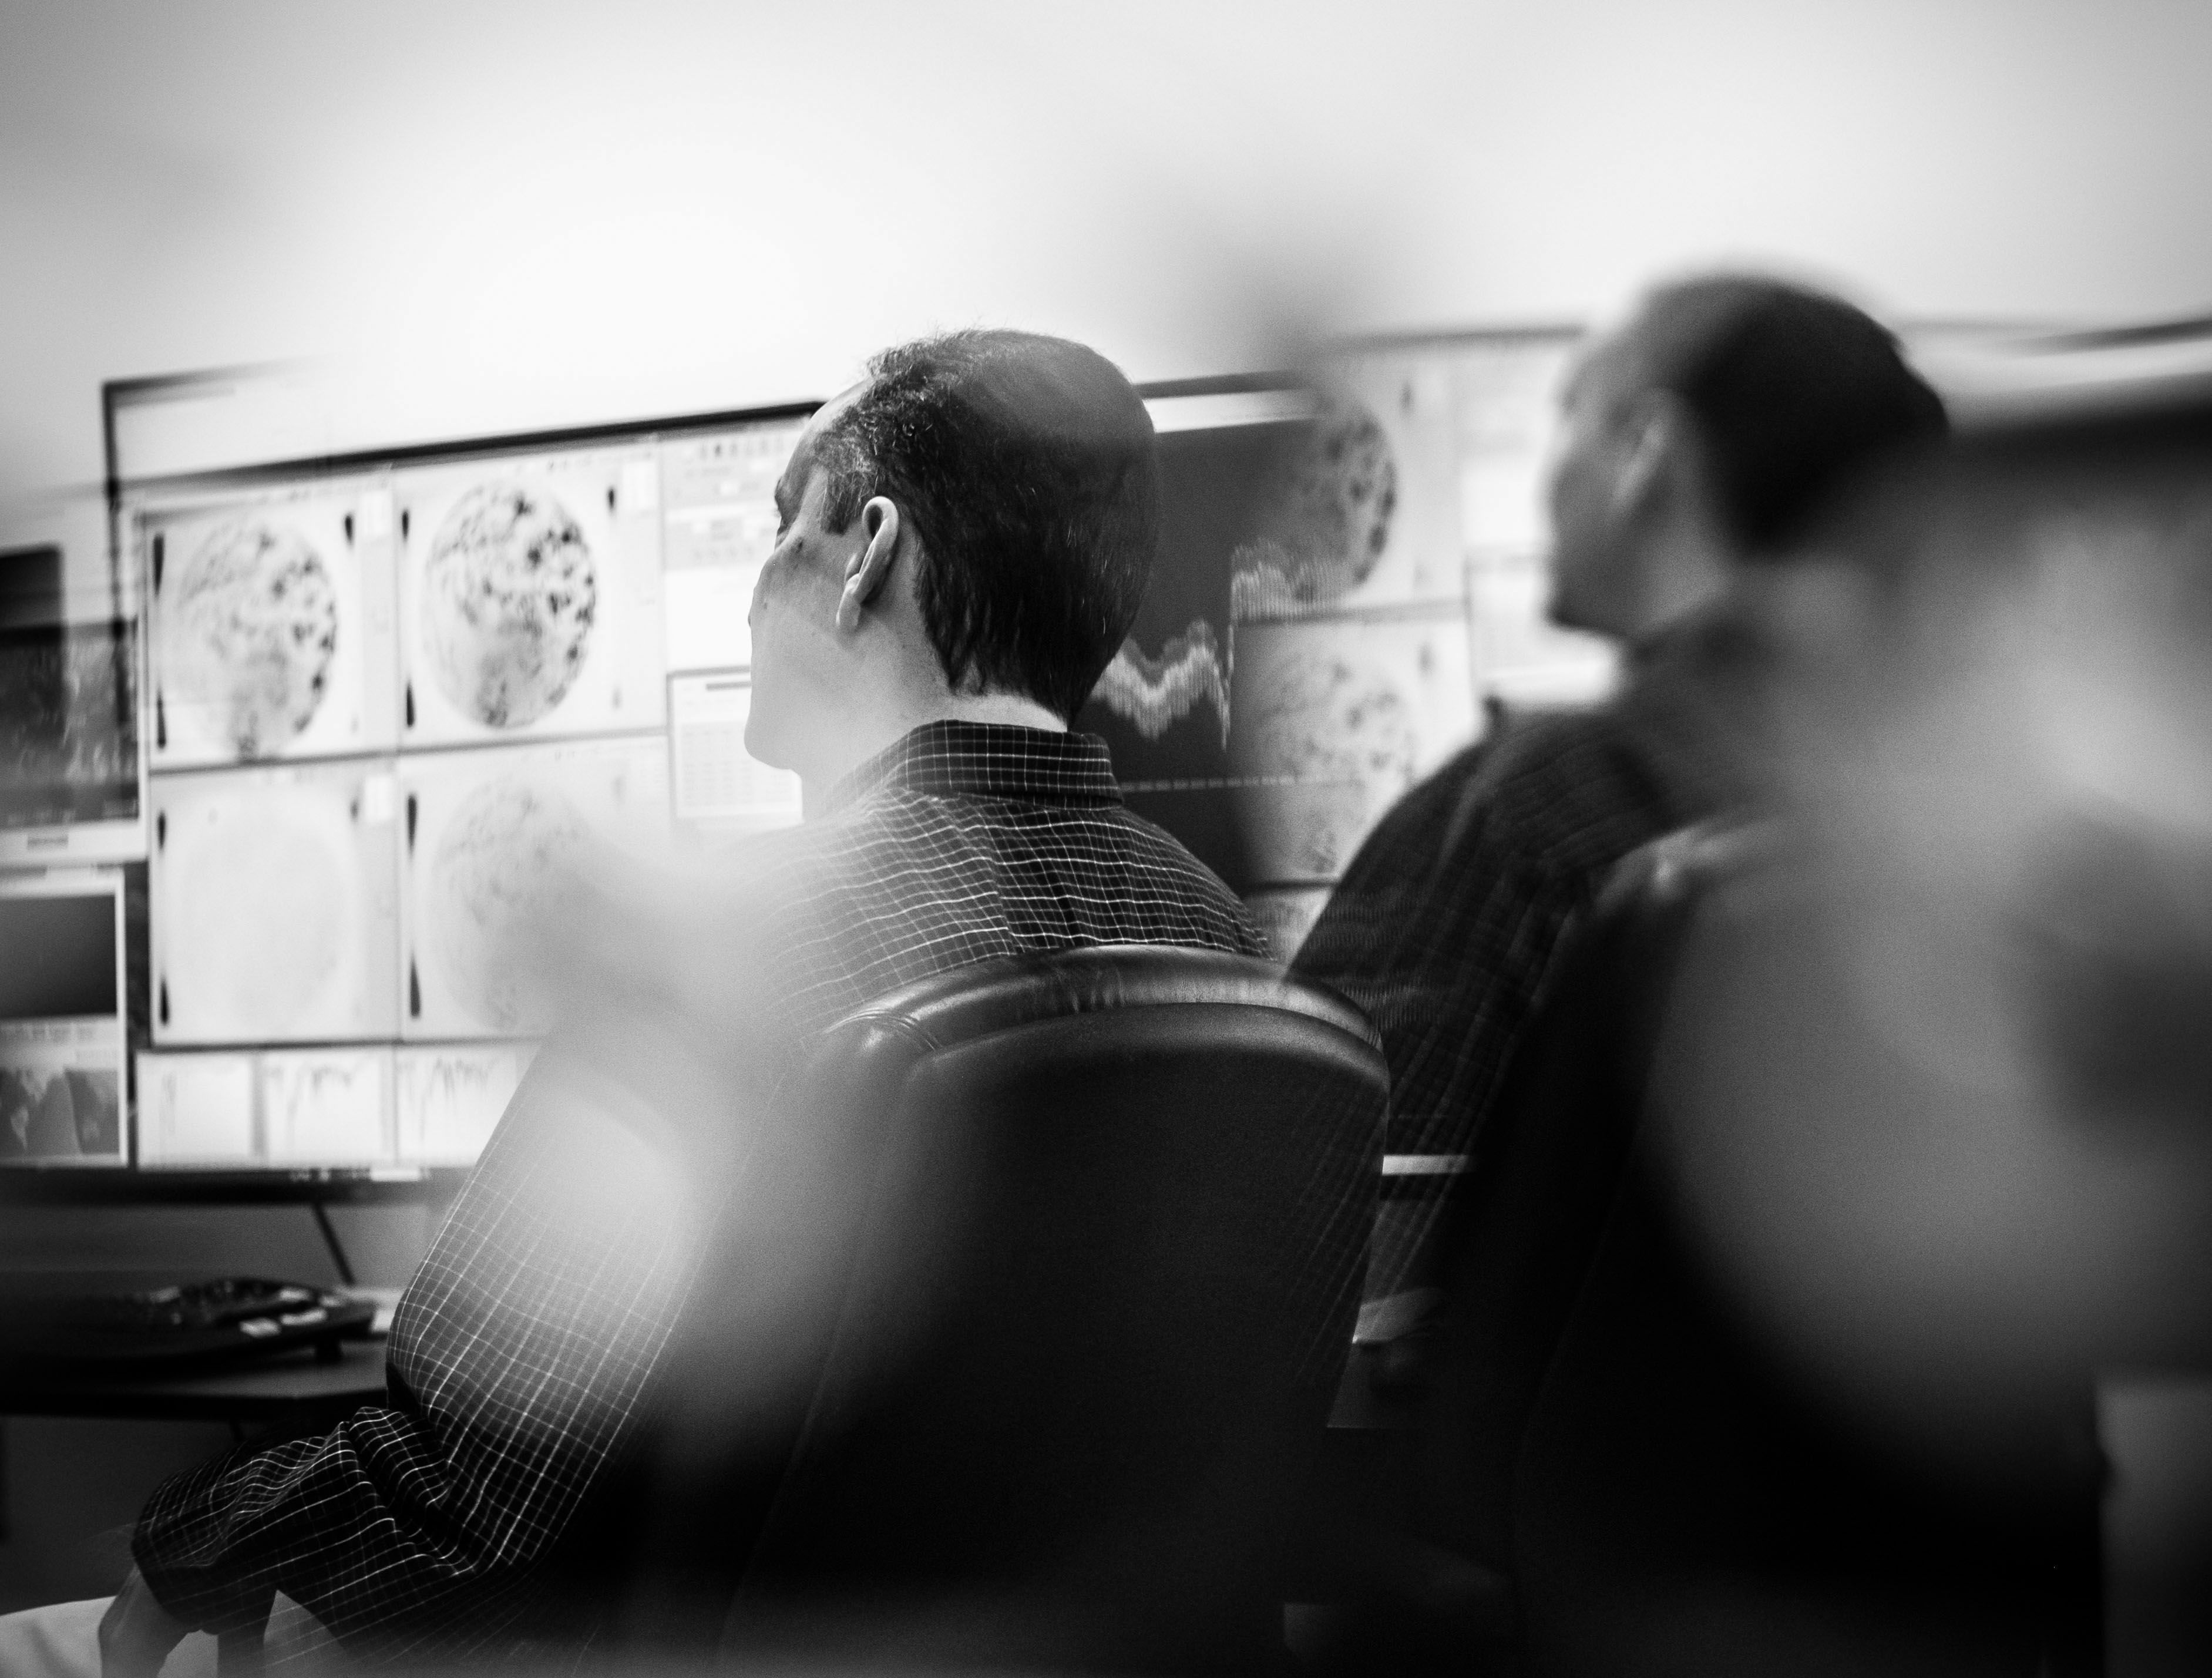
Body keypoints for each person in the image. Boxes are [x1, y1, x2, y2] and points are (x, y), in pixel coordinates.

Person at [9, 328, 1266, 1677]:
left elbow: (457, 1516)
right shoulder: (1223, 948)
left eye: (786, 521)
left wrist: (183, 1540)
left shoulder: (730, 949)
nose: (749, 590)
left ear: (867, 555)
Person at [1292, 273, 1948, 1302]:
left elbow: (1327, 1244)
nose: (1550, 480)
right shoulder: (1971, 810)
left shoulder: (1534, 808)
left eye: (1574, 420)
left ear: (1646, 452)